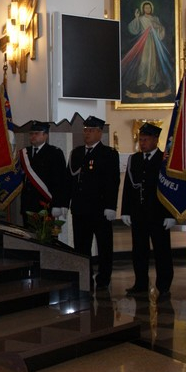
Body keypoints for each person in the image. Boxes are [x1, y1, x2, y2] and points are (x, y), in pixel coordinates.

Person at [121, 123, 175, 297]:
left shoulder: (164, 159)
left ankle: (164, 285)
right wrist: (126, 211)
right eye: (141, 140)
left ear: (155, 140)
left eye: (146, 140)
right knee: (139, 251)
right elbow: (129, 187)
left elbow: (171, 189)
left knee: (162, 251)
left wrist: (171, 215)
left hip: (159, 214)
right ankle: (140, 282)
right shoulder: (135, 159)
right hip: (139, 213)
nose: (142, 143)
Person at [67, 116, 120, 290]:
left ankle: (104, 279)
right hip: (80, 208)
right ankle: (85, 277)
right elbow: (70, 181)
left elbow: (113, 182)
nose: (87, 133)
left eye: (91, 130)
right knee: (81, 247)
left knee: (104, 246)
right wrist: (65, 203)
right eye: (85, 130)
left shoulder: (108, 154)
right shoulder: (77, 153)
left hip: (100, 209)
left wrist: (111, 206)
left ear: (99, 132)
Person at [121, 0, 175, 101]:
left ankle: (152, 81)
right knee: (144, 62)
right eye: (146, 7)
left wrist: (157, 27)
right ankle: (142, 80)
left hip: (153, 43)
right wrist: (136, 18)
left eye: (149, 7)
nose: (147, 9)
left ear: (151, 8)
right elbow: (133, 29)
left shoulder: (155, 19)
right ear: (143, 9)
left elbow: (161, 31)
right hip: (144, 43)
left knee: (153, 63)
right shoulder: (141, 19)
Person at [18, 120, 69, 227]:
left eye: (36, 133)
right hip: (28, 204)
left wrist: (58, 204)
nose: (33, 136)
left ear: (45, 135)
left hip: (45, 203)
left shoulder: (54, 153)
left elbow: (61, 180)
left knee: (46, 235)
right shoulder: (24, 152)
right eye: (31, 134)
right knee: (28, 234)